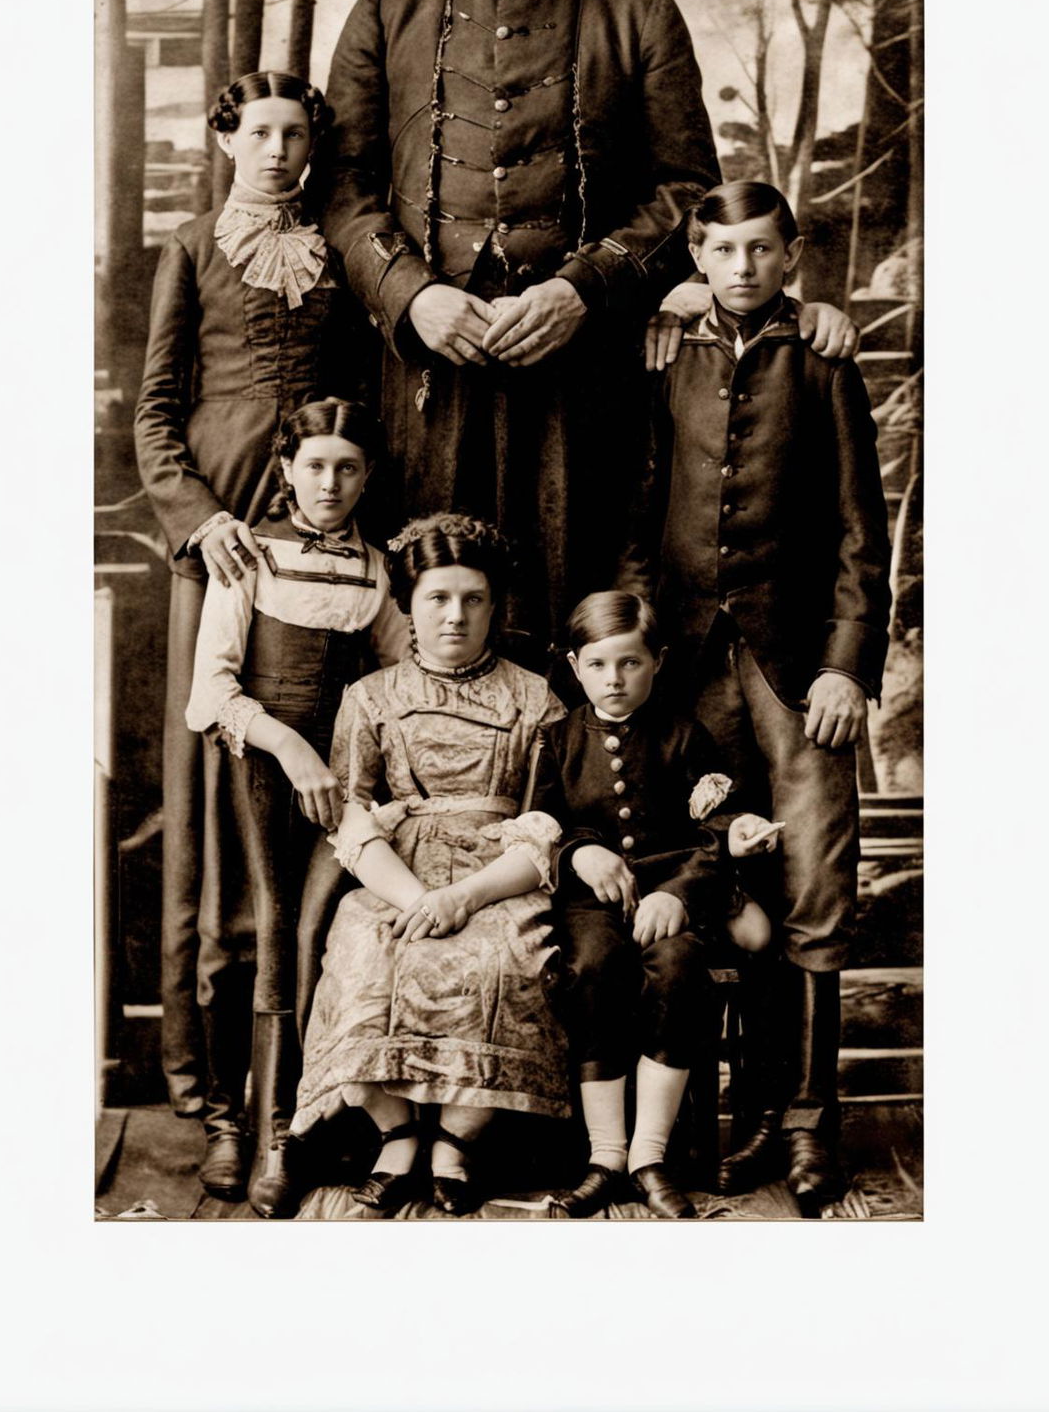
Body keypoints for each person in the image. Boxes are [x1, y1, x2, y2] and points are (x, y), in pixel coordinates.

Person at [320, 0, 855, 652]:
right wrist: (409, 294)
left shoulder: (637, 15)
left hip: (580, 381)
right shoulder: (389, 14)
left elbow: (688, 189)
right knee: (426, 609)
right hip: (425, 377)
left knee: (575, 608)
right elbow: (342, 189)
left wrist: (582, 289)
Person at [620, 179, 892, 1214]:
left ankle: (812, 1126)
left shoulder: (822, 364)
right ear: (698, 253)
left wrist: (847, 666)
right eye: (721, 248)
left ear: (791, 256)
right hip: (691, 666)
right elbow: (644, 509)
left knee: (815, 879)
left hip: (795, 670)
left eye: (761, 250)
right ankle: (732, 1118)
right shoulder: (665, 356)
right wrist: (644, 631)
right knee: (721, 873)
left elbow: (864, 535)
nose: (741, 266)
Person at [134, 71, 366, 1125]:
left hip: (319, 543)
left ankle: (315, 1069)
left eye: (296, 133)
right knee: (214, 798)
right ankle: (207, 1075)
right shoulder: (189, 248)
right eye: (260, 132)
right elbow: (154, 415)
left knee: (320, 778)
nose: (279, 149)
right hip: (223, 546)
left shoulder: (334, 254)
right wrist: (200, 516)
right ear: (228, 139)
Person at [288, 514, 569, 1218]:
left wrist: (465, 897)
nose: (456, 615)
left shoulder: (534, 697)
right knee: (365, 952)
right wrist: (416, 896)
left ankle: (456, 1139)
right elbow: (353, 816)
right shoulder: (372, 697)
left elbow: (547, 826)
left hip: (499, 870)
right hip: (395, 869)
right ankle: (397, 1133)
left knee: (505, 957)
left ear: (495, 605)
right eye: (438, 598)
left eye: (473, 598)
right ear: (408, 605)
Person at [184, 398, 408, 1214]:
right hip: (262, 762)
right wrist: (289, 745)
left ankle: (301, 1129)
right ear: (285, 470)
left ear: (368, 475)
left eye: (347, 467)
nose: (330, 482)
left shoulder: (375, 569)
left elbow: (400, 675)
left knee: (323, 927)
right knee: (257, 925)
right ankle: (235, 1124)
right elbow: (211, 687)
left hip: (343, 783)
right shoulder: (252, 559)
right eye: (314, 464)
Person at [531, 590, 779, 1219]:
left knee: (677, 971)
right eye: (597, 665)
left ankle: (649, 1155)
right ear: (572, 665)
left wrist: (679, 893)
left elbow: (715, 827)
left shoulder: (685, 735)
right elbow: (539, 823)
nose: (613, 680)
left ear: (658, 661)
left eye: (631, 663)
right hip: (589, 904)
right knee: (591, 970)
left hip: (672, 899)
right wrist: (578, 853)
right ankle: (605, 1155)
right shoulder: (556, 741)